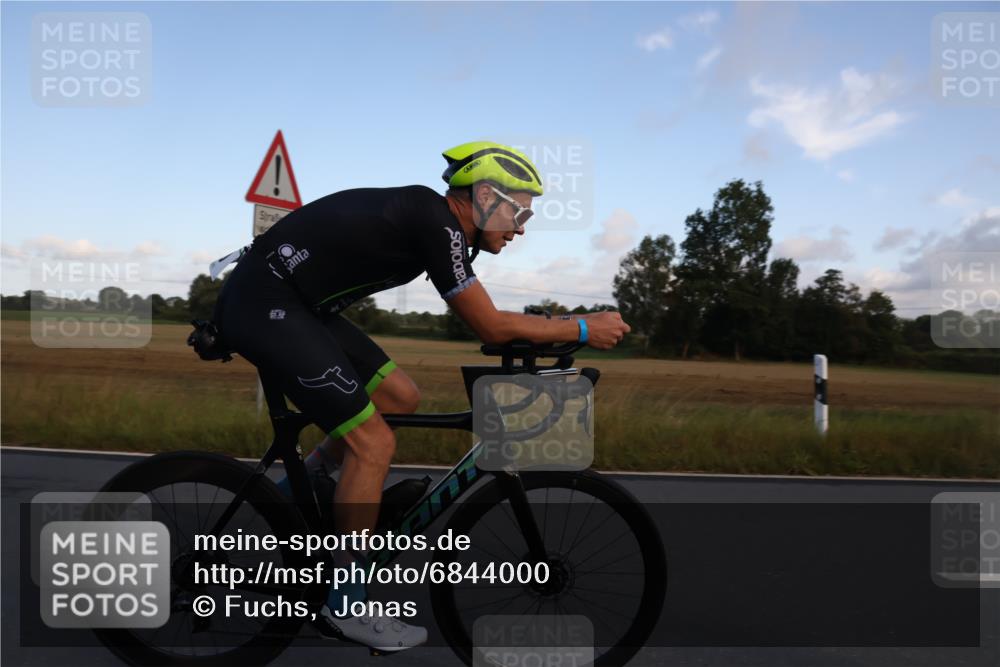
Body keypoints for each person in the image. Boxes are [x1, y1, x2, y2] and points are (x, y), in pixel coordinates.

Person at [212, 141, 631, 652]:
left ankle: (304, 488)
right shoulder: (435, 222)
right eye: (518, 211)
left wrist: (558, 332)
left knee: (399, 396)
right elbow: (490, 325)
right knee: (374, 445)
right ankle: (345, 603)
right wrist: (583, 326)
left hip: (297, 306)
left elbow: (493, 323)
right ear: (483, 196)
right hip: (267, 303)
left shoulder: (436, 221)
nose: (521, 227)